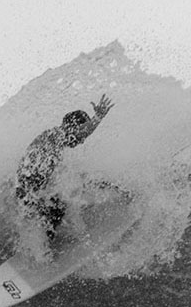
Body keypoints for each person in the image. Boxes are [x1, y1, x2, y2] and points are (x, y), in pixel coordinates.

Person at [14, 94, 115, 241]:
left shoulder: (51, 138)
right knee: (57, 207)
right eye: (81, 129)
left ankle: (41, 241)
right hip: (30, 186)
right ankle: (44, 247)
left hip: (25, 185)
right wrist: (98, 117)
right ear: (73, 126)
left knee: (56, 204)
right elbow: (80, 133)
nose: (82, 141)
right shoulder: (58, 135)